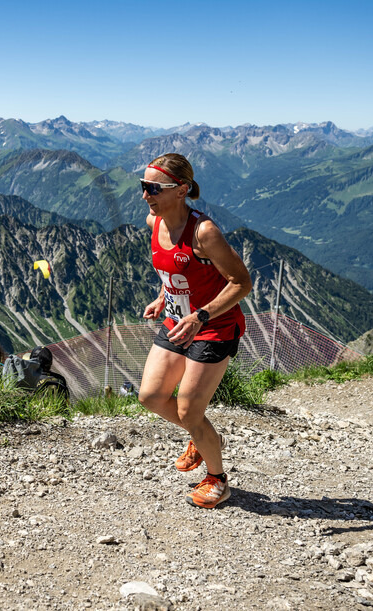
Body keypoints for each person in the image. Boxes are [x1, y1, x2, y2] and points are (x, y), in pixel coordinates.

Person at [137, 153, 251, 509]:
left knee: (188, 412)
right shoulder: (153, 222)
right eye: (143, 186)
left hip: (213, 326)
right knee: (151, 396)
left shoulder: (204, 232)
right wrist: (162, 296)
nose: (145, 195)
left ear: (181, 189)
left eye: (154, 188)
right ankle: (199, 436)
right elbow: (172, 270)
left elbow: (241, 282)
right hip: (177, 321)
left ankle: (217, 479)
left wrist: (201, 315)